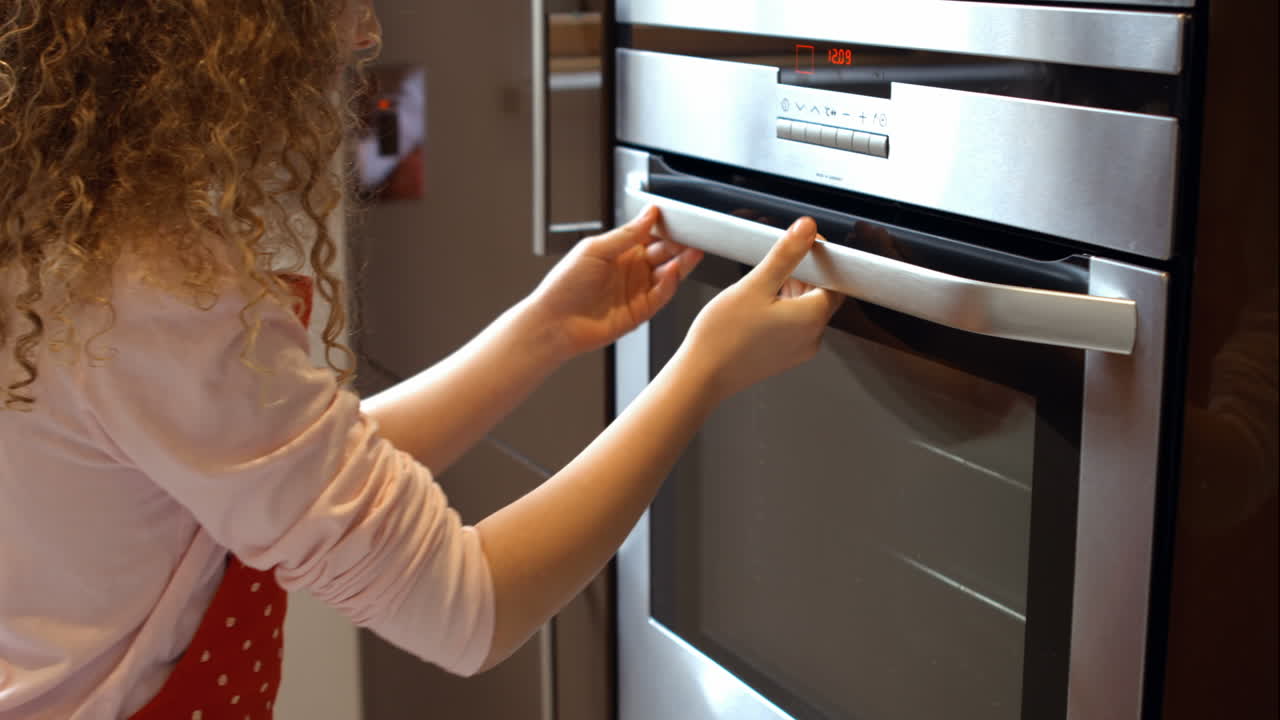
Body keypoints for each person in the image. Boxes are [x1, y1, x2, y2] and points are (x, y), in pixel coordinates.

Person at [0, 1, 843, 718]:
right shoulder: (148, 290)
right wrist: (701, 375)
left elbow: (292, 472)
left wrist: (541, 330)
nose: (367, 33)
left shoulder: (49, 233)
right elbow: (472, 608)